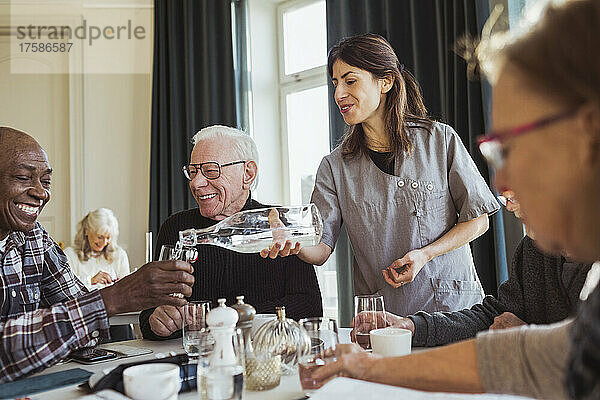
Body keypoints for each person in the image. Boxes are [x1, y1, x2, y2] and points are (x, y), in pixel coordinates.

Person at [310, 1, 600, 398]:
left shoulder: (438, 139)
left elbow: (539, 355)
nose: (502, 181)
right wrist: (400, 337)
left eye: (514, 147)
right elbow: (541, 351)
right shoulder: (539, 259)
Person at [265, 33, 499, 316]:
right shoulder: (334, 167)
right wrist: (294, 242)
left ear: (385, 82)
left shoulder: (439, 140)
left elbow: (478, 220)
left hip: (453, 311)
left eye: (350, 81)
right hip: (384, 318)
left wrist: (426, 255)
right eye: (335, 83)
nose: (339, 94)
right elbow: (321, 248)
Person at [0, 127, 195, 383]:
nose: (41, 193)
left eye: (46, 181)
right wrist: (114, 298)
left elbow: (85, 317)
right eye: (24, 177)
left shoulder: (34, 237)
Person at [139, 125, 322, 340]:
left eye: (210, 170)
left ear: (248, 173)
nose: (196, 183)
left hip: (264, 358)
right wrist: (157, 322)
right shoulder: (176, 227)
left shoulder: (279, 226)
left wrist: (233, 317)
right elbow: (150, 313)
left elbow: (310, 309)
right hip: (195, 362)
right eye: (193, 171)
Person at [364, 193, 592, 347]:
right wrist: (412, 326)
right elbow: (495, 317)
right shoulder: (533, 249)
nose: (508, 204)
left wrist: (527, 338)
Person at [65, 208, 130, 290]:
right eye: (100, 237)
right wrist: (90, 281)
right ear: (86, 231)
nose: (104, 243)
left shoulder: (119, 255)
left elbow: (127, 289)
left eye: (108, 238)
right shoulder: (70, 255)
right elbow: (66, 290)